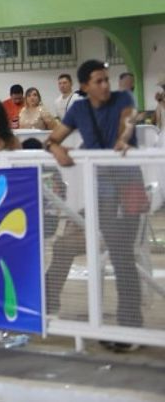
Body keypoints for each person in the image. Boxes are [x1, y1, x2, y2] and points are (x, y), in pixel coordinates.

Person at [44, 60, 144, 345]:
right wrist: (56, 149)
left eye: (106, 80)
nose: (105, 85)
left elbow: (127, 122)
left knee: (121, 256)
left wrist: (123, 139)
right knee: (62, 245)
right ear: (85, 86)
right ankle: (46, 307)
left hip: (126, 193)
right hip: (99, 197)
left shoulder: (123, 99)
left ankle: (130, 328)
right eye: (98, 81)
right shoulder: (79, 109)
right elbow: (52, 139)